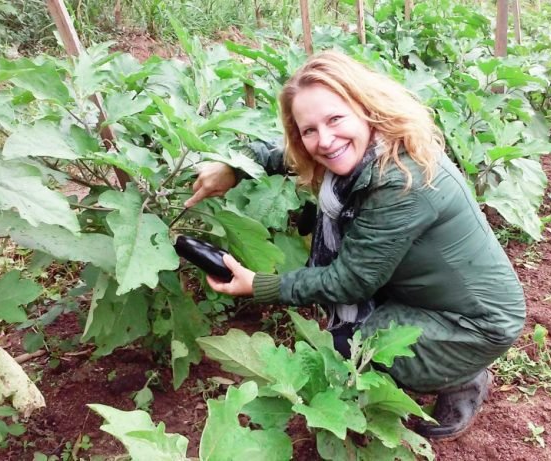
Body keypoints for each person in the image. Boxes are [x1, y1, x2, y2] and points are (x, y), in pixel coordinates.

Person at [183, 50, 526, 440]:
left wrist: (260, 285)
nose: (324, 140)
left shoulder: (399, 179)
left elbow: (350, 282)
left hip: (474, 323)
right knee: (353, 334)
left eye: (335, 119)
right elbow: (288, 155)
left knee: (360, 343)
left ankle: (463, 376)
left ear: (365, 109)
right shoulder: (369, 148)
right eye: (308, 129)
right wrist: (234, 167)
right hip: (431, 295)